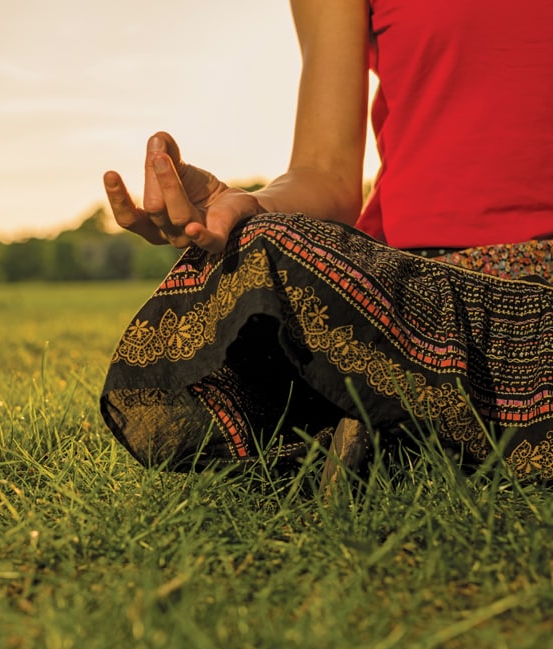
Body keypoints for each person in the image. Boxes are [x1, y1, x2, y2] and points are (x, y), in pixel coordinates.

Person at [99, 0, 553, 481]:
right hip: (424, 298)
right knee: (262, 247)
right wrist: (250, 208)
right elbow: (324, 172)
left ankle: (391, 428)